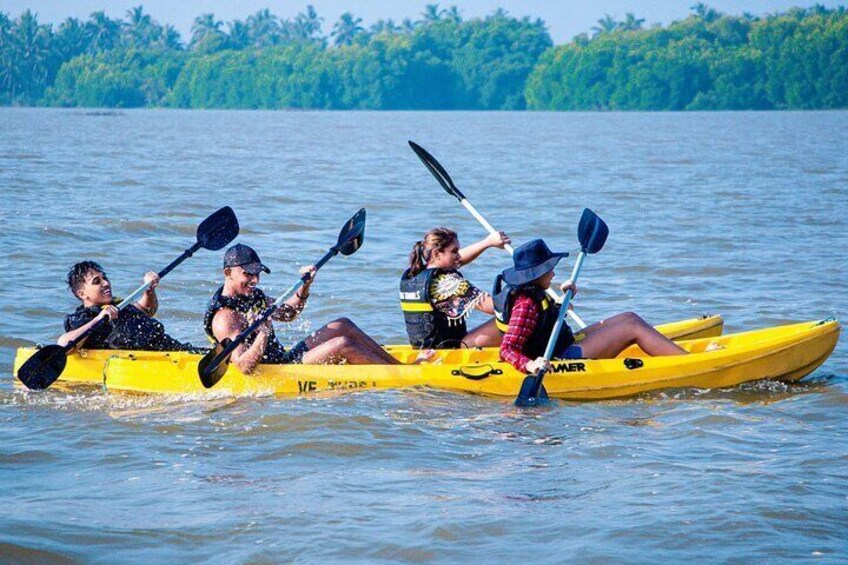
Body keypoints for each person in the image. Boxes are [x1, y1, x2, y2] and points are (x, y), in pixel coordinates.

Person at [206, 243, 427, 374]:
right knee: (342, 344)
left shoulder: (252, 295)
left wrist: (305, 286)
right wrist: (263, 333)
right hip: (276, 371)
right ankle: (402, 378)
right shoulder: (225, 318)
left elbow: (288, 313)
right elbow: (245, 367)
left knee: (342, 324)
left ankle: (401, 368)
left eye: (257, 274)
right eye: (248, 274)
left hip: (283, 359)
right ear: (228, 273)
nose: (254, 280)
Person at [495, 239, 687, 374]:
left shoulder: (535, 292)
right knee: (632, 328)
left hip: (563, 343)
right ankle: (688, 363)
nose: (553, 274)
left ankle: (682, 356)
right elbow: (507, 349)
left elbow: (543, 322)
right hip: (558, 358)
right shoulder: (525, 305)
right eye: (549, 269)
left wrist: (562, 301)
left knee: (629, 317)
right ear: (537, 274)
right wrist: (529, 366)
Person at [399, 228, 510, 349]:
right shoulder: (448, 284)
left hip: (425, 348)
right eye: (454, 251)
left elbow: (457, 260)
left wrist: (488, 242)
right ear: (436, 254)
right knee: (514, 316)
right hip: (449, 350)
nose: (458, 256)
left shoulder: (414, 274)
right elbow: (500, 309)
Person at [58, 261, 196, 352]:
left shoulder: (119, 305)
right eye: (97, 281)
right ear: (82, 294)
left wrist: (149, 290)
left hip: (172, 349)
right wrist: (98, 319)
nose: (106, 283)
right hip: (148, 361)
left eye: (105, 278)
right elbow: (64, 345)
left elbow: (147, 310)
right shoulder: (84, 318)